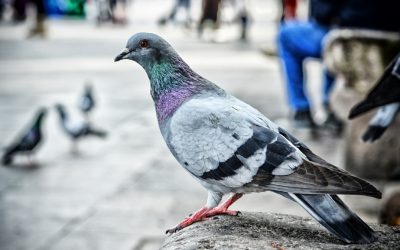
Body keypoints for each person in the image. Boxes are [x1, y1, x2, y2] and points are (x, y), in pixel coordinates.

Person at [277, 0, 400, 132]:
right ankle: (330, 109)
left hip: (349, 43)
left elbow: (322, 15)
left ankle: (301, 110)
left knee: (286, 34)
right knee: (333, 32)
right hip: (392, 45)